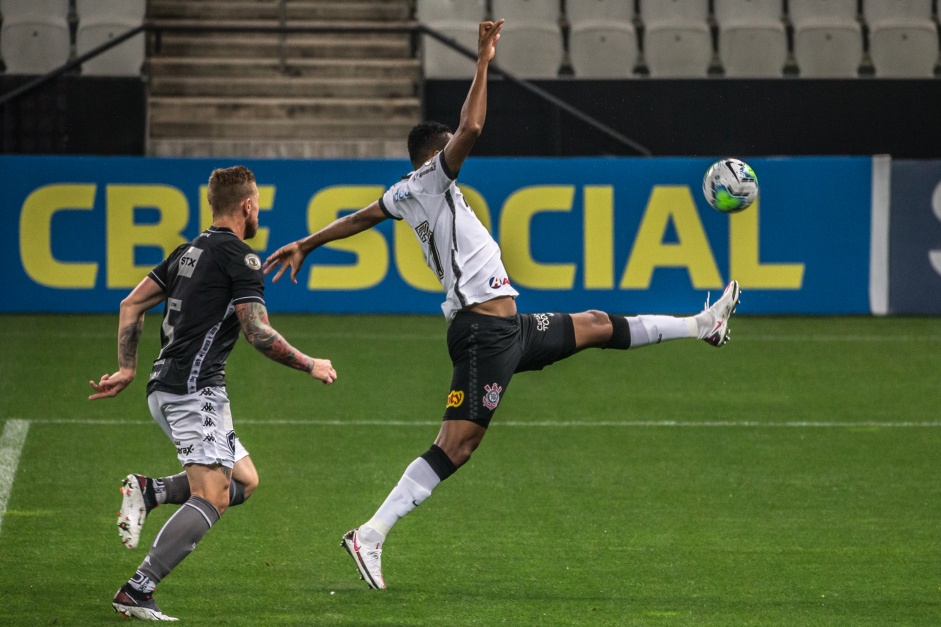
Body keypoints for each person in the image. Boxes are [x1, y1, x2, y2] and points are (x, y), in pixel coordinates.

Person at [263, 19, 740, 591]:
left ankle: (702, 323)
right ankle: (370, 534)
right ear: (433, 157)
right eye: (449, 153)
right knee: (457, 445)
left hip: (508, 327)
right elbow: (474, 124)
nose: (458, 156)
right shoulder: (433, 179)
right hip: (484, 334)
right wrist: (484, 58)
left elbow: (361, 217)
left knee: (592, 324)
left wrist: (306, 243)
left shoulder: (405, 192)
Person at [89, 165, 337, 620]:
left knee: (245, 481)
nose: (258, 209)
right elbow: (258, 333)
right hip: (192, 391)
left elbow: (131, 304)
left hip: (170, 385)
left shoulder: (187, 251)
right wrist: (310, 364)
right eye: (257, 202)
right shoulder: (241, 258)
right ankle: (138, 589)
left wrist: (127, 367)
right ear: (247, 205)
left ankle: (150, 490)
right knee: (213, 497)